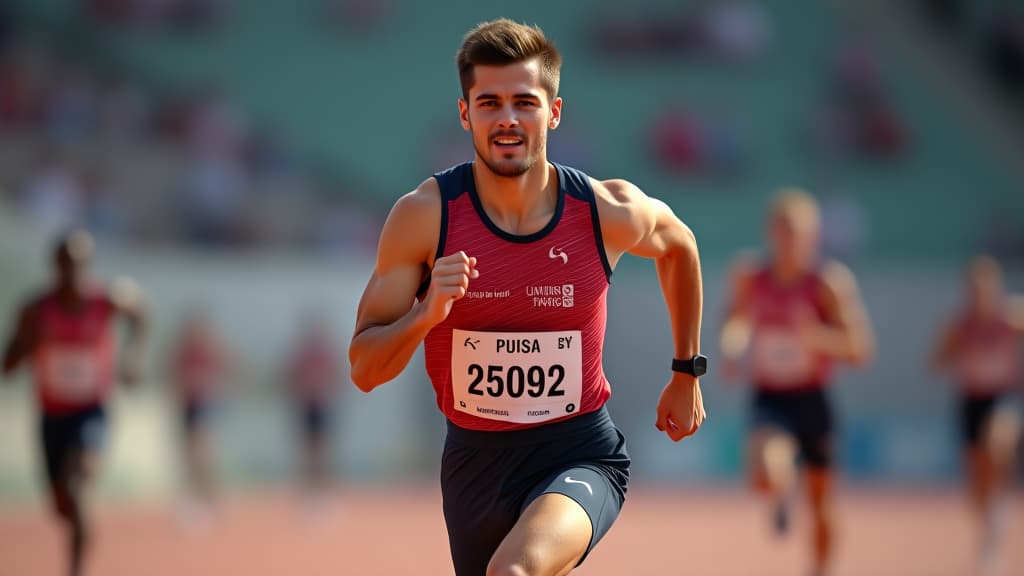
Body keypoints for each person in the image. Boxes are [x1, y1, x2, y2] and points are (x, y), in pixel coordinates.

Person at [349, 18, 706, 576]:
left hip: (579, 452)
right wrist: (425, 315)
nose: (508, 119)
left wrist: (687, 371)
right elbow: (364, 368)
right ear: (465, 113)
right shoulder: (424, 218)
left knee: (514, 571)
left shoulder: (604, 211)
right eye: (489, 102)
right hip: (474, 463)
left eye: (525, 102)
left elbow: (680, 246)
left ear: (553, 112)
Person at [719, 189, 874, 576]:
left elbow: (860, 349)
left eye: (799, 234)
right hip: (770, 395)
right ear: (771, 233)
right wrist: (733, 348)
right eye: (783, 232)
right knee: (765, 471)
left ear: (813, 237)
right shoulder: (750, 275)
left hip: (813, 399)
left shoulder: (829, 283)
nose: (790, 242)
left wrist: (818, 337)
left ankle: (820, 569)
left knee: (822, 506)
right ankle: (781, 493)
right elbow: (734, 320)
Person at [1, 229, 147, 576]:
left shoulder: (108, 301)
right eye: (66, 264)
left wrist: (133, 356)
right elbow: (7, 366)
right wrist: (27, 345)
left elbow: (141, 311)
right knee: (61, 505)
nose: (73, 272)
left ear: (89, 265)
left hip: (91, 411)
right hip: (52, 415)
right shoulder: (36, 310)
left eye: (81, 264)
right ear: (55, 266)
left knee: (76, 485)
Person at [931, 256, 1023, 574]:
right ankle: (989, 529)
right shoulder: (960, 324)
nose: (980, 295)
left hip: (1003, 397)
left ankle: (1001, 494)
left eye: (986, 289)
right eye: (974, 289)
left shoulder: (1011, 317)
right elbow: (936, 363)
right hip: (971, 400)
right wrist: (956, 349)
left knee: (998, 439)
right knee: (975, 477)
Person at [168, 305, 228, 515]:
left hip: (205, 405)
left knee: (203, 452)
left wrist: (210, 386)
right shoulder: (183, 351)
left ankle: (211, 498)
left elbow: (228, 368)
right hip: (187, 405)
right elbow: (172, 374)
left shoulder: (210, 349)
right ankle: (194, 499)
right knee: (189, 455)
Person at [285, 313, 343, 500]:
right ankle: (308, 492)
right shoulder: (303, 355)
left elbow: (337, 377)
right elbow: (291, 378)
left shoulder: (325, 355)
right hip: (307, 406)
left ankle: (323, 492)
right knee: (307, 451)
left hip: (322, 405)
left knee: (322, 451)